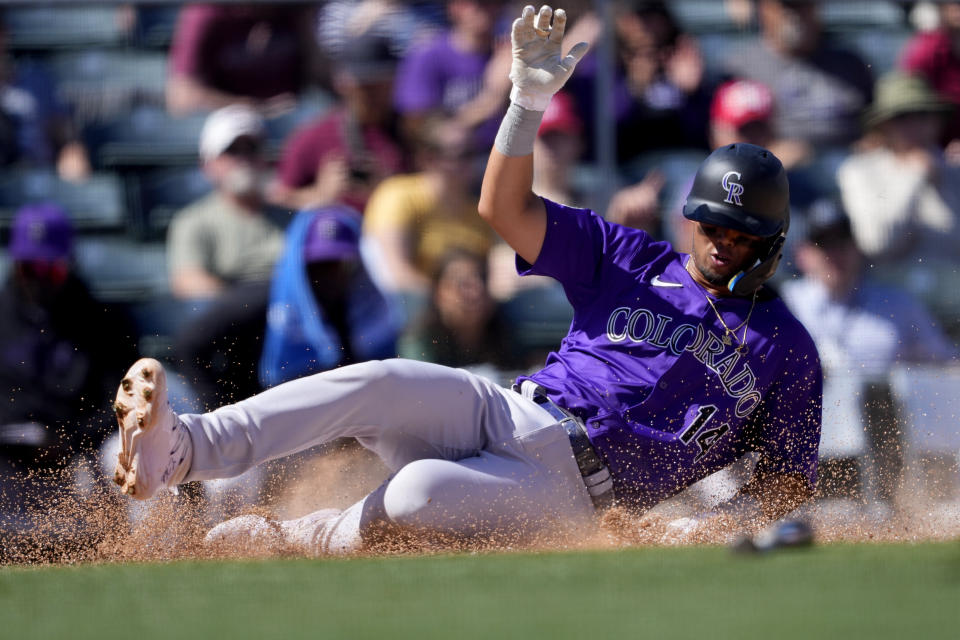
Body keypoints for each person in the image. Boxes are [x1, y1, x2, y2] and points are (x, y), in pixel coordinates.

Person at [110, 5, 821, 555]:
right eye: (710, 226)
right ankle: (186, 448)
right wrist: (525, 104)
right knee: (380, 380)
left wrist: (716, 525)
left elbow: (789, 481)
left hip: (571, 494)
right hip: (511, 409)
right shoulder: (633, 257)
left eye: (740, 234)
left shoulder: (789, 349)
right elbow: (503, 209)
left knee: (418, 493)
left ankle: (297, 539)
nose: (722, 244)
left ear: (773, 241)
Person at [780, 198, 956, 505]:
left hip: (889, 445)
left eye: (842, 243)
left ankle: (916, 504)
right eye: (824, 244)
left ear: (857, 248)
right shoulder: (785, 306)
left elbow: (946, 367)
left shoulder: (896, 304)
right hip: (807, 444)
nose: (834, 254)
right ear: (804, 254)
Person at [1, 204, 137, 545]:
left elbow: (121, 401)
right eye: (29, 268)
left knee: (126, 455)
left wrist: (70, 439)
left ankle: (137, 548)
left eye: (51, 270)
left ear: (69, 265)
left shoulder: (103, 321)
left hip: (80, 452)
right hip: (7, 454)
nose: (40, 280)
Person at [167, 104, 292, 407]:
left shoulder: (291, 216)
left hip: (289, 320)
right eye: (232, 151)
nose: (244, 159)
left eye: (251, 148)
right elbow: (187, 281)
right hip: (233, 331)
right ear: (208, 164)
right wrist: (247, 301)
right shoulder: (194, 221)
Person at [259, 205, 400, 388]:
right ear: (296, 266)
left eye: (341, 263)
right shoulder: (263, 309)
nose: (330, 274)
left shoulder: (370, 316)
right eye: (318, 265)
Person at [270, 28, 405, 215]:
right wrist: (320, 194)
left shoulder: (413, 131)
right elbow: (278, 203)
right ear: (343, 83)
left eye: (381, 83)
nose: (373, 94)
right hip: (335, 237)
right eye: (364, 86)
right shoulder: (314, 137)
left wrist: (392, 188)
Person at [723, 0, 873, 150]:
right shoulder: (741, 69)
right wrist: (770, 155)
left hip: (849, 163)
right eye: (787, 6)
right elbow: (726, 138)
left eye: (802, 5)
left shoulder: (850, 63)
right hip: (775, 167)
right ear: (763, 8)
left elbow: (877, 126)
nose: (795, 15)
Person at [165, 3, 321, 116]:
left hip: (294, 114)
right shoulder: (205, 11)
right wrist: (254, 108)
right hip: (231, 122)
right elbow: (181, 96)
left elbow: (323, 71)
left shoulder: (297, 9)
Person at [399, 248, 525, 372]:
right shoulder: (421, 341)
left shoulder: (507, 335)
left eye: (482, 279)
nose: (477, 292)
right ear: (439, 293)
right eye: (464, 284)